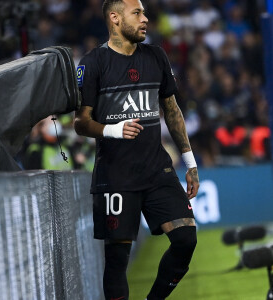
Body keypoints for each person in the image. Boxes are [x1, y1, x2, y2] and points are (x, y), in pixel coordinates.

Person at [74, 0, 199, 299]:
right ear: (115, 18)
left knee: (185, 239)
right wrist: (113, 129)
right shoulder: (93, 63)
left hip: (157, 169)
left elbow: (171, 109)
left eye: (144, 12)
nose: (145, 19)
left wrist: (189, 160)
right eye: (137, 13)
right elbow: (81, 123)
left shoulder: (155, 56)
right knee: (117, 261)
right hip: (115, 175)